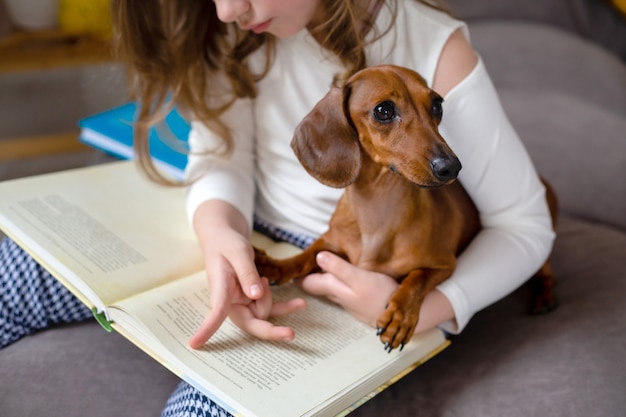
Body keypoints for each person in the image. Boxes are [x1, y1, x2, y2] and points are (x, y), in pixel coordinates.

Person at [0, 0, 555, 415]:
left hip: (360, 284)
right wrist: (219, 231)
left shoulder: (437, 49)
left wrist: (430, 307)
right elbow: (223, 155)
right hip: (250, 236)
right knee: (15, 271)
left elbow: (524, 224)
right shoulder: (234, 29)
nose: (225, 9)